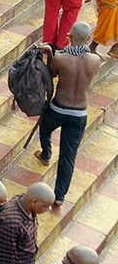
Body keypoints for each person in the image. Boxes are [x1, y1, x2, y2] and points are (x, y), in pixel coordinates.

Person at [38, 22, 102, 207]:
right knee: (68, 156)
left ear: (69, 36)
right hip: (79, 112)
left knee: (45, 126)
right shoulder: (95, 60)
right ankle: (59, 196)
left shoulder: (61, 58)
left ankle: (46, 153)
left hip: (58, 107)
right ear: (88, 39)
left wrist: (50, 53)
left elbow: (52, 74)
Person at [0, 183, 54, 264]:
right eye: (46, 207)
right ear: (34, 202)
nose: (48, 209)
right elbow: (5, 260)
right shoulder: (12, 223)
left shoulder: (24, 203)